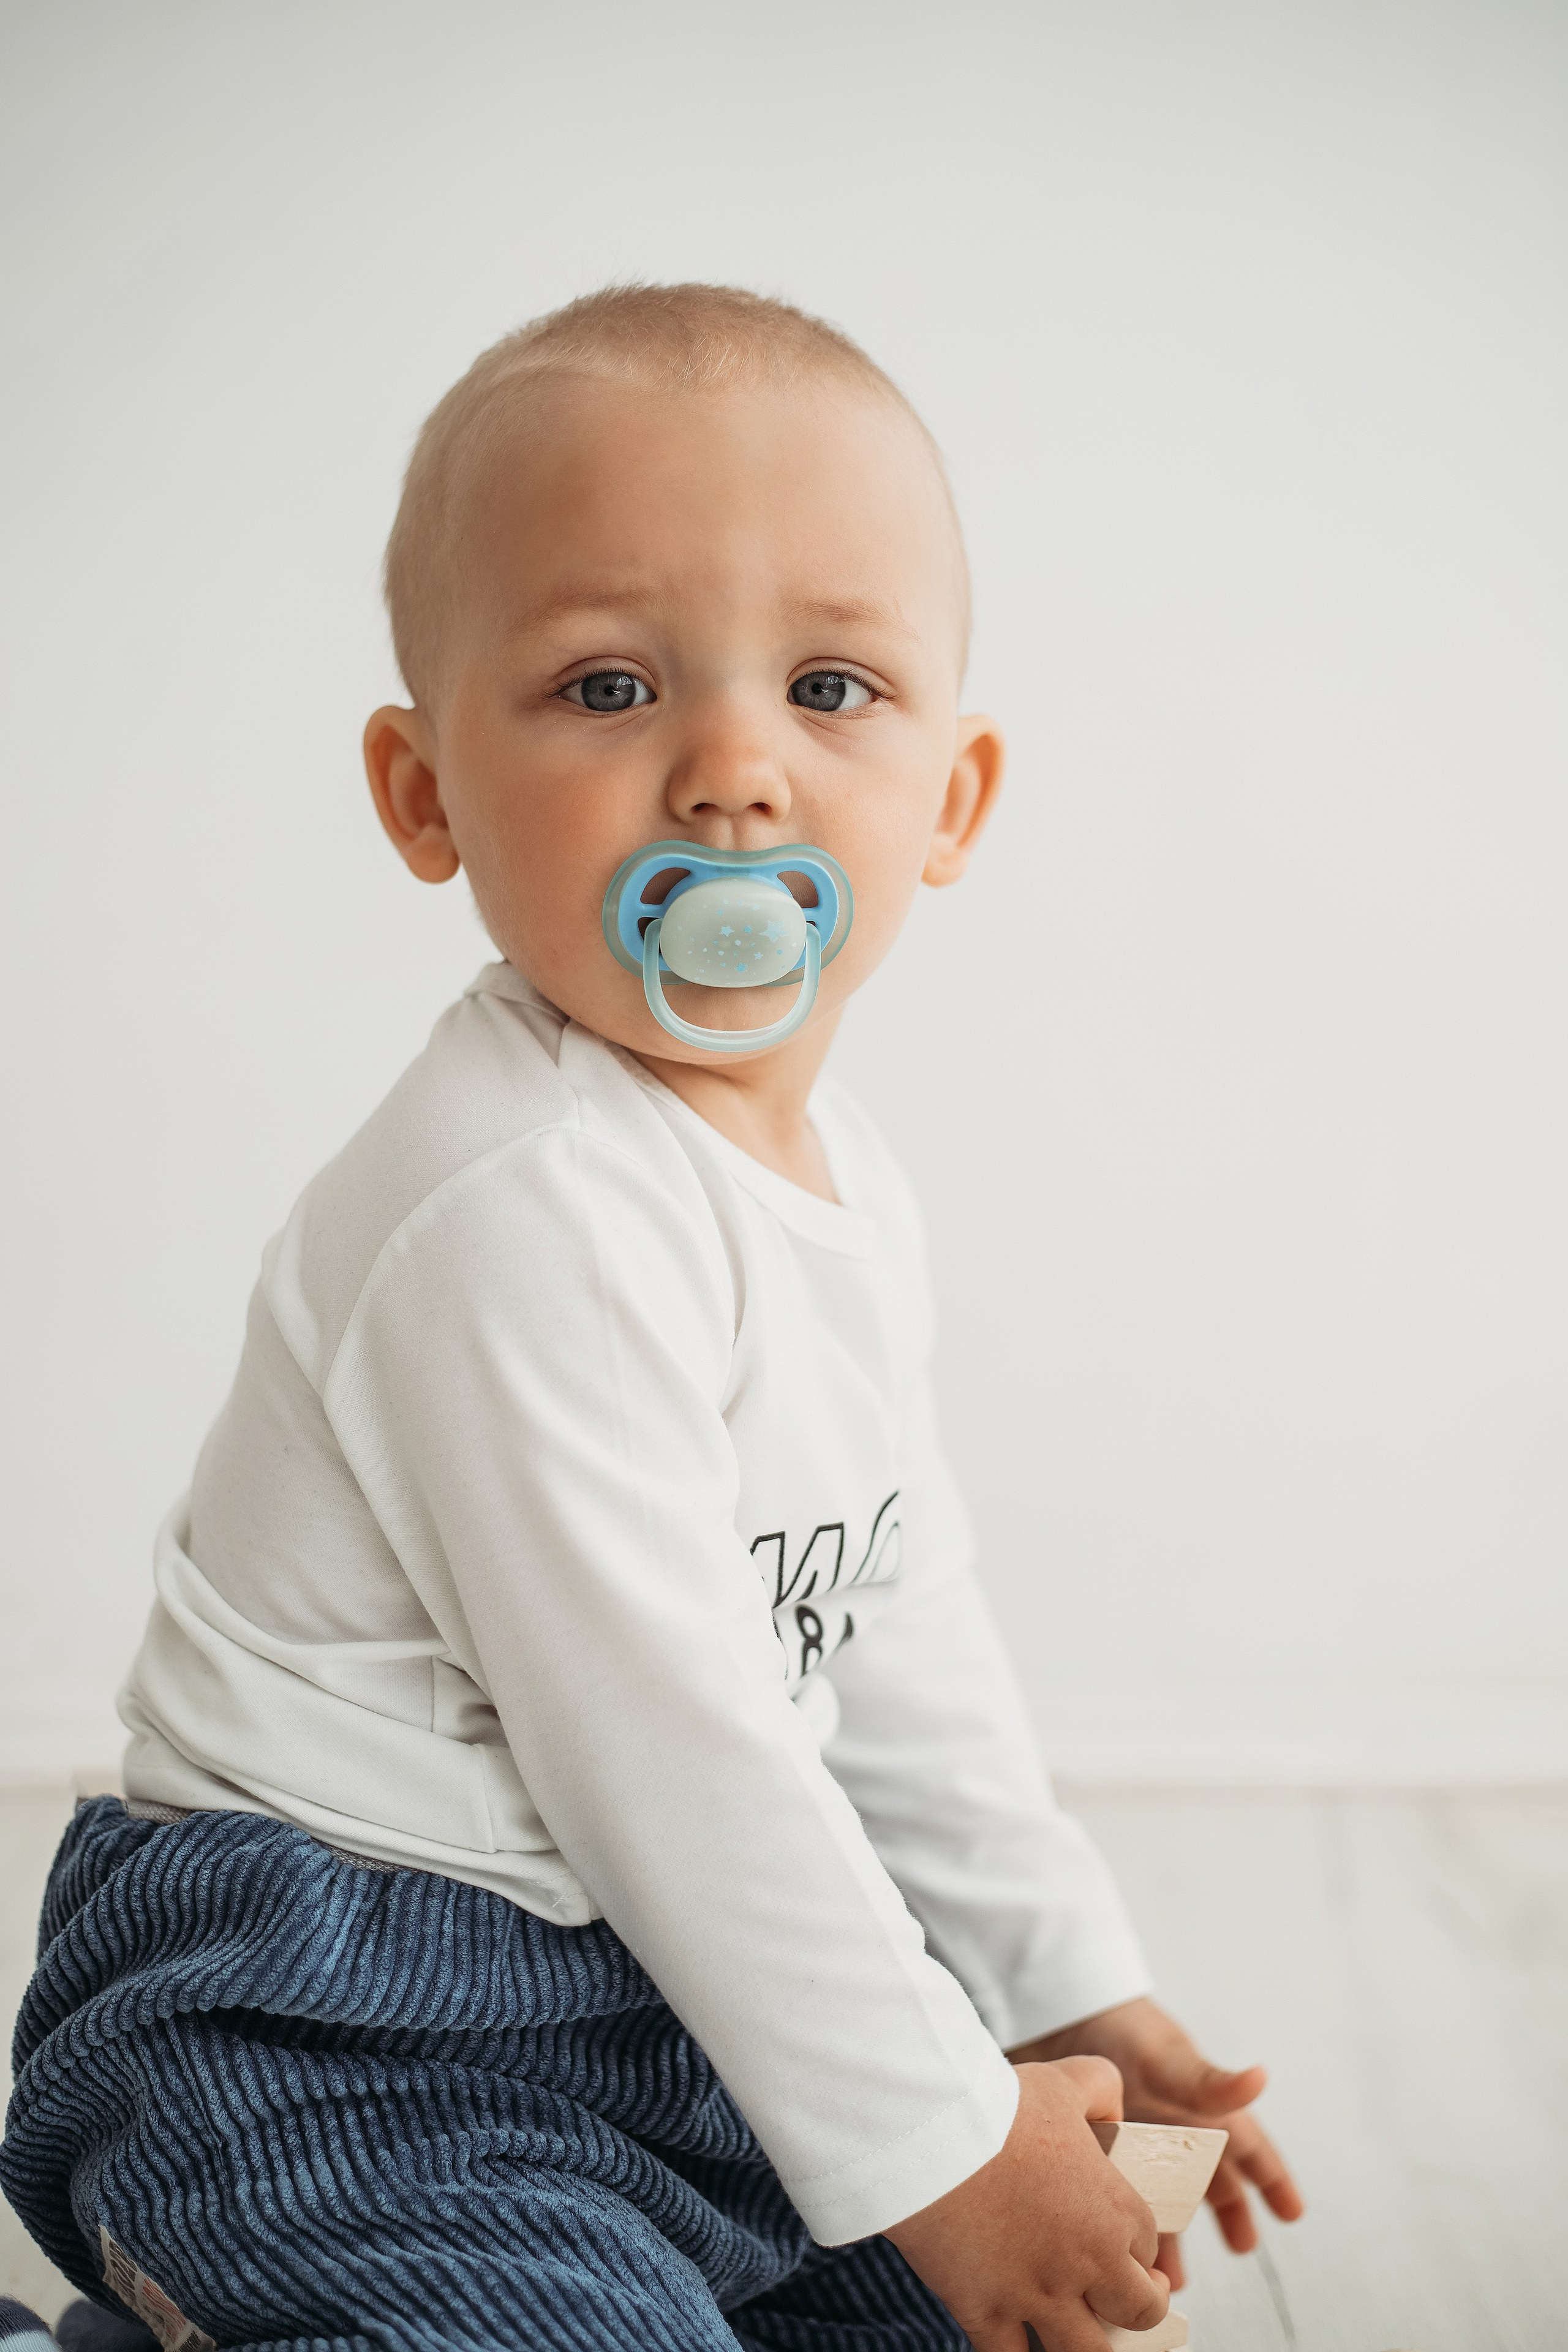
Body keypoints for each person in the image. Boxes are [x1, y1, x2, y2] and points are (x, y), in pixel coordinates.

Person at [0, 284, 1302, 2352]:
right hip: (335, 2035)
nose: (731, 775)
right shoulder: (516, 1207)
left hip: (660, 2003)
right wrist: (949, 2153)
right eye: (608, 684)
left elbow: (890, 1614)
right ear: (425, 795)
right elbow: (673, 1752)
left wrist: (1056, 1976)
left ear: (952, 801)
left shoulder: (846, 1185)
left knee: (946, 2306)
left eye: (832, 685)